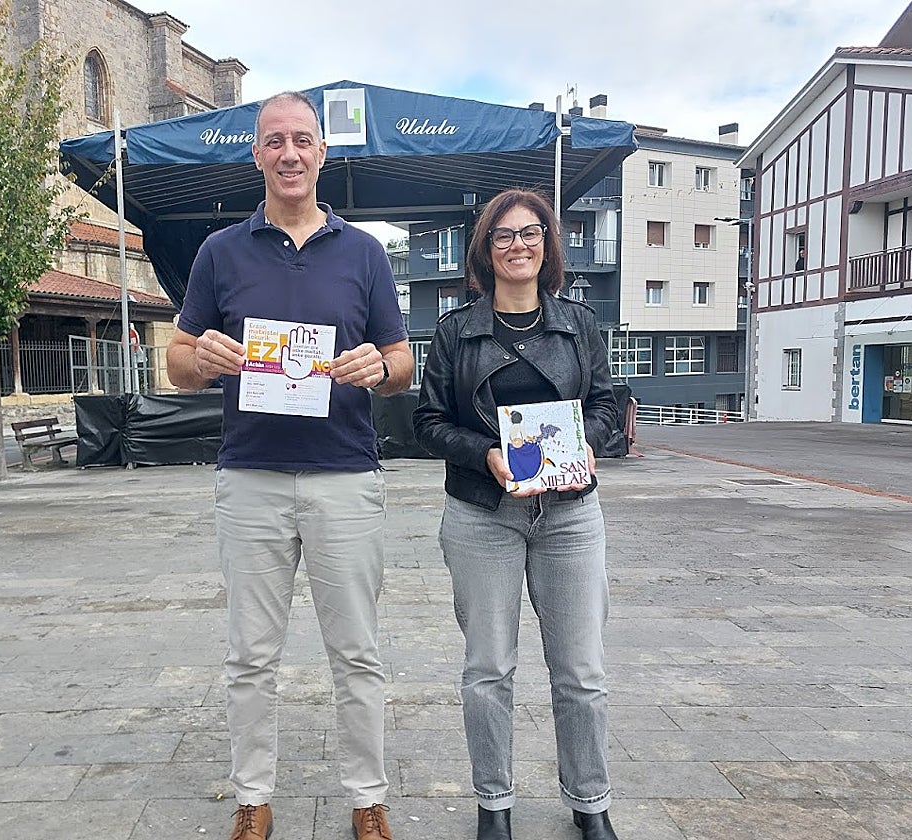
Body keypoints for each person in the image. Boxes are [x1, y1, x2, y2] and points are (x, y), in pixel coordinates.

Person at [165, 90, 413, 840]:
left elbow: (402, 360)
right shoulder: (221, 251)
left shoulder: (364, 252)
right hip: (251, 478)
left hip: (344, 474)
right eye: (275, 141)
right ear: (257, 155)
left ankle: (367, 799)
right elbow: (177, 361)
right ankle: (252, 798)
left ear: (323, 152)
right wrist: (200, 358)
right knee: (250, 656)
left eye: (302, 140)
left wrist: (382, 366)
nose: (290, 154)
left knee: (357, 653)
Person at [413, 188, 622, 840]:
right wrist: (485, 455)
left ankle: (591, 806)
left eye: (529, 233)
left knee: (581, 672)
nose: (517, 245)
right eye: (502, 236)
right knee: (487, 670)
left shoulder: (580, 325)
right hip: (483, 513)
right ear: (485, 248)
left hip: (568, 516)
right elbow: (425, 423)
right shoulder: (455, 331)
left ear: (547, 244)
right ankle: (493, 807)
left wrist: (590, 441)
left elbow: (611, 404)